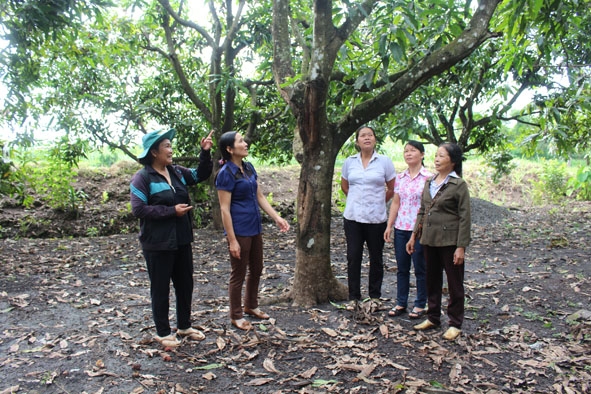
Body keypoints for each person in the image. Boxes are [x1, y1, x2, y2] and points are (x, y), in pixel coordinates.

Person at [130, 128, 213, 348]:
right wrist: (170, 211)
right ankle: (163, 332)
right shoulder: (142, 178)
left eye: (170, 145)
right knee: (160, 287)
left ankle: (184, 326)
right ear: (154, 152)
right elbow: (138, 209)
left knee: (185, 284)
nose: (171, 149)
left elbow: (200, 175)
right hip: (157, 243)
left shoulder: (176, 172)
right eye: (166, 145)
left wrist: (205, 152)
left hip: (182, 239)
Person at [215, 131, 290, 330]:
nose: (245, 143)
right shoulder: (225, 174)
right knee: (238, 273)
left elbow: (260, 196)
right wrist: (232, 240)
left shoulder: (248, 168)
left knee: (256, 268)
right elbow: (224, 208)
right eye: (241, 141)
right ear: (230, 149)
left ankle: (251, 305)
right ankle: (236, 315)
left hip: (255, 226)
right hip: (239, 229)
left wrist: (276, 218)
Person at [406, 142, 471, 341]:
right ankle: (433, 316)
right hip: (429, 239)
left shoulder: (458, 185)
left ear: (453, 161)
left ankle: (455, 323)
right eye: (436, 155)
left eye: (441, 156)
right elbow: (423, 211)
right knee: (431, 279)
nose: (436, 159)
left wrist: (461, 247)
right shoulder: (430, 182)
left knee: (454, 282)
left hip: (450, 241)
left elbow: (464, 217)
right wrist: (414, 235)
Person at [341, 125, 396, 307]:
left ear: (375, 140)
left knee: (376, 258)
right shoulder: (350, 162)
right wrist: (357, 200)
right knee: (353, 256)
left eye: (370, 135)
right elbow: (345, 186)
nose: (367, 138)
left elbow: (391, 188)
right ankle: (354, 297)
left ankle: (375, 296)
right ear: (357, 142)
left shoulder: (384, 162)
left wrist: (378, 201)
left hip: (376, 218)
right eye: (363, 136)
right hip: (353, 217)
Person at [384, 141, 432, 319]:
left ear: (422, 154)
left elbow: (429, 205)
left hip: (419, 229)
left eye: (413, 151)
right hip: (401, 227)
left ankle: (420, 303)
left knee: (420, 267)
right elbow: (396, 202)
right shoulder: (400, 177)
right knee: (402, 267)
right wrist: (389, 225)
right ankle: (401, 302)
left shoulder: (429, 178)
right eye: (406, 151)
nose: (408, 154)